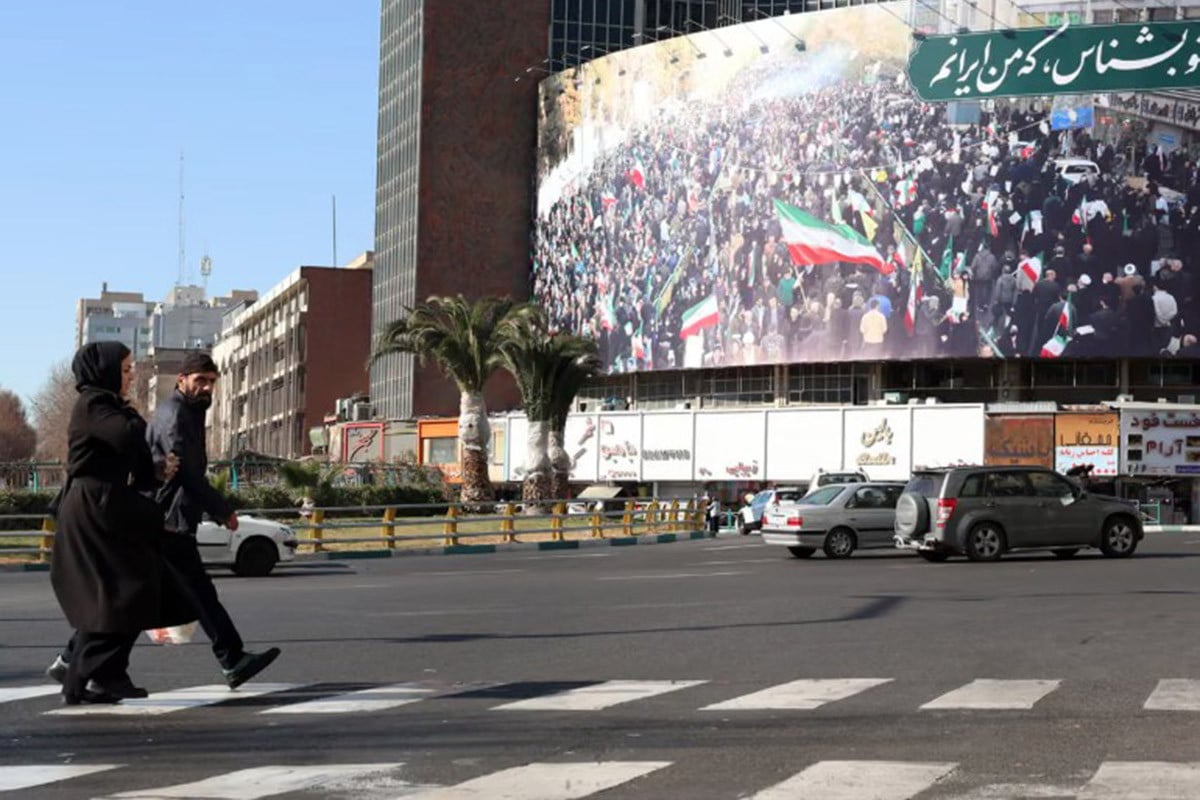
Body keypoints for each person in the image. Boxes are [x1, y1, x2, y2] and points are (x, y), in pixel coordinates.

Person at [47, 342, 191, 704]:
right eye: (125, 370)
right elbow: (126, 435)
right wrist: (135, 416)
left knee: (129, 590)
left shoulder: (109, 407)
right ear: (105, 370)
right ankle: (83, 674)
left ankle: (105, 676)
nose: (131, 376)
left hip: (110, 505)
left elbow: (137, 466)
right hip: (94, 509)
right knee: (121, 591)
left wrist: (159, 471)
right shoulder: (94, 403)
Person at [147, 352, 280, 689]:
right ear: (182, 380)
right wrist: (222, 511)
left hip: (166, 516)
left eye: (211, 382)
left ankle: (73, 659)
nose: (206, 388)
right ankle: (232, 659)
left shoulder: (185, 412)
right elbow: (186, 474)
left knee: (133, 595)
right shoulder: (177, 415)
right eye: (199, 380)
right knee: (198, 594)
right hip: (167, 519)